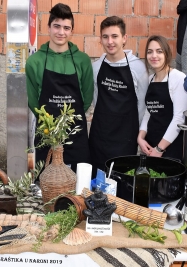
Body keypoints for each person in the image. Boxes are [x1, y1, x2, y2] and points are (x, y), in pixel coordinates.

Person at [26, 3, 93, 173]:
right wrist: (50, 124)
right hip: (47, 133)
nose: (61, 32)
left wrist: (68, 120)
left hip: (75, 133)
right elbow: (33, 100)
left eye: (66, 28)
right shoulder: (35, 61)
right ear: (48, 28)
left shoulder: (82, 60)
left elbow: (86, 96)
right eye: (56, 26)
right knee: (46, 181)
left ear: (71, 31)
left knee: (77, 182)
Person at [89, 16, 149, 172]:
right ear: (100, 40)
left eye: (114, 36)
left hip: (126, 138)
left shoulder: (138, 68)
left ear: (124, 38)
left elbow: (143, 106)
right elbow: (96, 99)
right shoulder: (96, 67)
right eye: (105, 37)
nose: (110, 42)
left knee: (122, 181)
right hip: (99, 136)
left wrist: (139, 135)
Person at [137, 35, 187, 161]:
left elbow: (179, 118)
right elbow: (149, 113)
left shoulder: (178, 78)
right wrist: (140, 138)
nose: (154, 55)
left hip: (170, 148)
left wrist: (160, 149)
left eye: (159, 51)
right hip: (150, 148)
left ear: (166, 53)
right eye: (150, 52)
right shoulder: (150, 79)